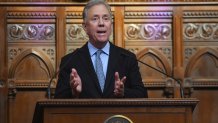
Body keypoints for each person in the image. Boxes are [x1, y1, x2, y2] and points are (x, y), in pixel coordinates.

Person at [54, 0, 147, 98]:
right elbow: (58, 101)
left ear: (111, 24)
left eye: (106, 18)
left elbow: (142, 95)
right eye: (95, 19)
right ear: (85, 27)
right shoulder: (70, 61)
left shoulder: (128, 58)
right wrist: (74, 93)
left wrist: (123, 92)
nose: (101, 23)